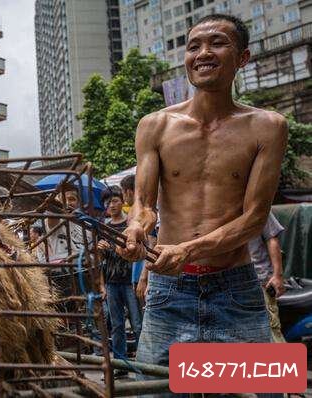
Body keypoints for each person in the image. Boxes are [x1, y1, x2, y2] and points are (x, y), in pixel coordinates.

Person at [117, 13, 287, 379]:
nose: (203, 53)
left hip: (237, 289)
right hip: (168, 291)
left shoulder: (268, 127)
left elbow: (254, 219)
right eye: (194, 46)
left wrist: (188, 250)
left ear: (243, 58)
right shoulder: (155, 125)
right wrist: (136, 229)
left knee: (265, 387)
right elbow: (144, 205)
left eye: (217, 43)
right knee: (151, 389)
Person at [98, 190, 142, 373]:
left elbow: (139, 253)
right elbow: (100, 260)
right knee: (116, 325)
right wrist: (100, 248)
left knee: (137, 323)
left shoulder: (131, 225)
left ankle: (143, 364)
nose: (111, 205)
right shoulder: (103, 227)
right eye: (108, 202)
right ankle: (120, 365)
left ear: (122, 201)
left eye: (114, 200)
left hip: (129, 281)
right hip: (112, 281)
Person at [249, 212, 286, 343]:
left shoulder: (257, 207)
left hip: (260, 280)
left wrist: (277, 275)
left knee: (271, 331)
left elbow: (272, 239)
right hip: (231, 282)